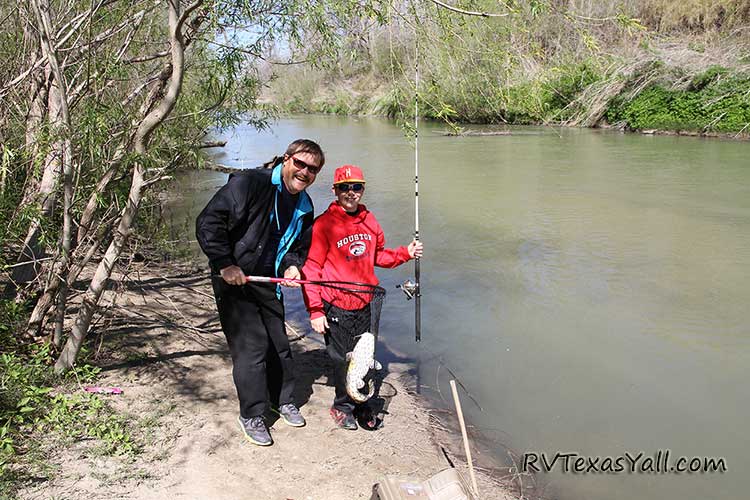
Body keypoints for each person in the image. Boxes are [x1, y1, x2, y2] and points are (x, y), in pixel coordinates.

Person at [196, 139, 325, 446]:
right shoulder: (249, 183)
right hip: (234, 278)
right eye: (300, 164)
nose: (305, 172)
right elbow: (208, 222)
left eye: (313, 169)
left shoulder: (305, 205)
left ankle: (282, 400)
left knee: (279, 344)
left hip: (268, 280)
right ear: (287, 159)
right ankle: (252, 414)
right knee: (251, 348)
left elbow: (297, 247)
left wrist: (293, 266)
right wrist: (225, 263)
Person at [301, 165, 423, 430]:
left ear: (362, 189)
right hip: (336, 305)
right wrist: (315, 310)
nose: (350, 192)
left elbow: (378, 256)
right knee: (340, 358)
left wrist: (406, 253)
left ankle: (361, 401)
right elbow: (311, 269)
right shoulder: (324, 224)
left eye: (356, 187)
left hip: (366, 303)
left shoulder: (370, 220)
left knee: (365, 357)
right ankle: (342, 406)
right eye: (344, 187)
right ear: (335, 190)